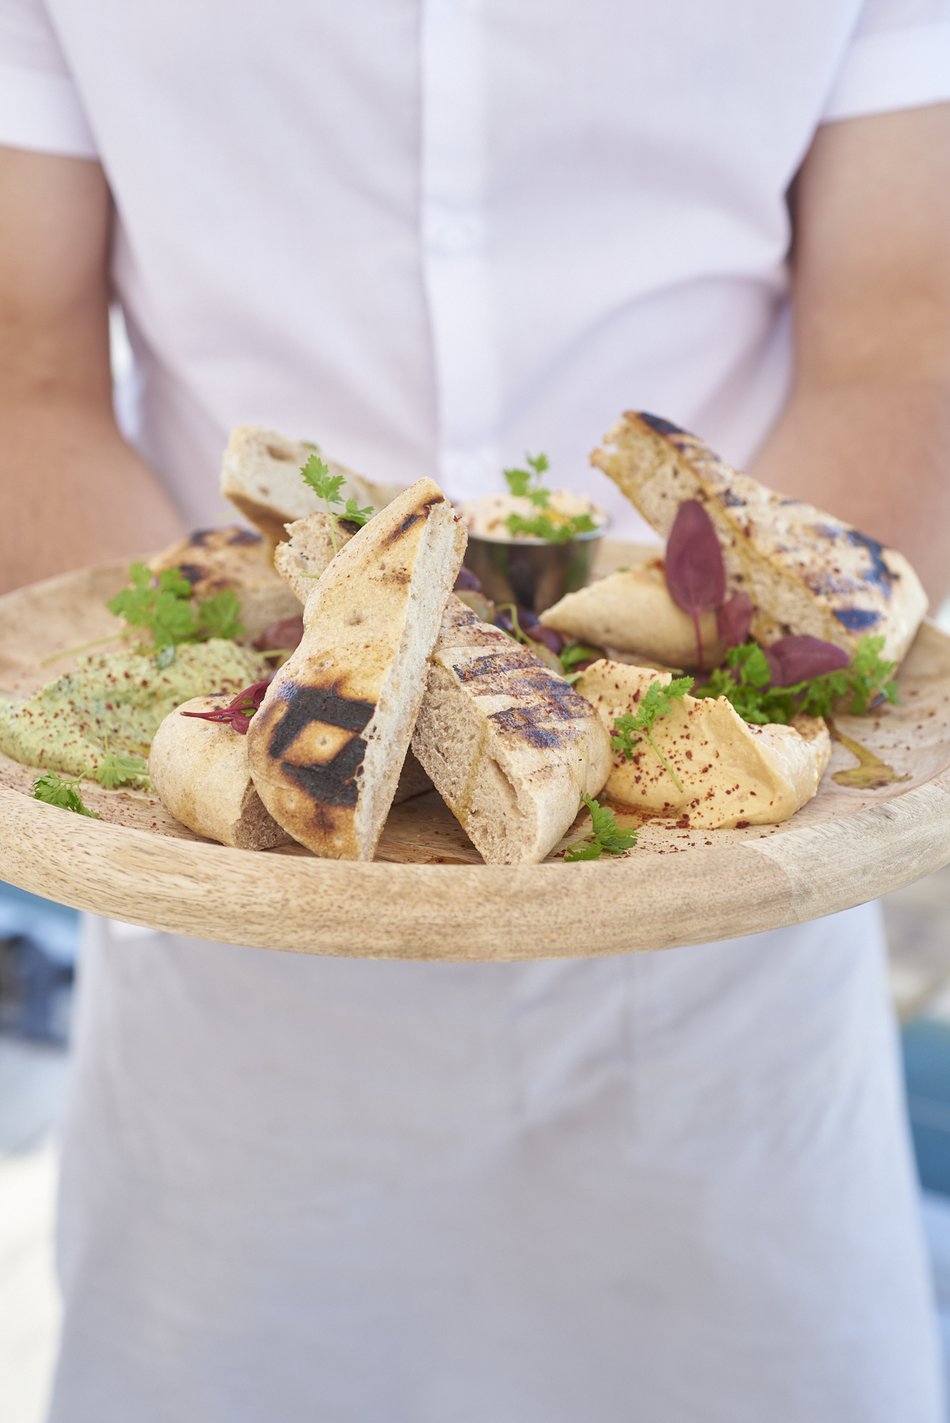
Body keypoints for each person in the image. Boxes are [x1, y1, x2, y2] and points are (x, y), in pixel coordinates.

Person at [2, 2, 950, 1419]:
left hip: (720, 936)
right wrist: (247, 707)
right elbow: (28, 366)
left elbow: (900, 340)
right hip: (236, 946)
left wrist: (654, 744)